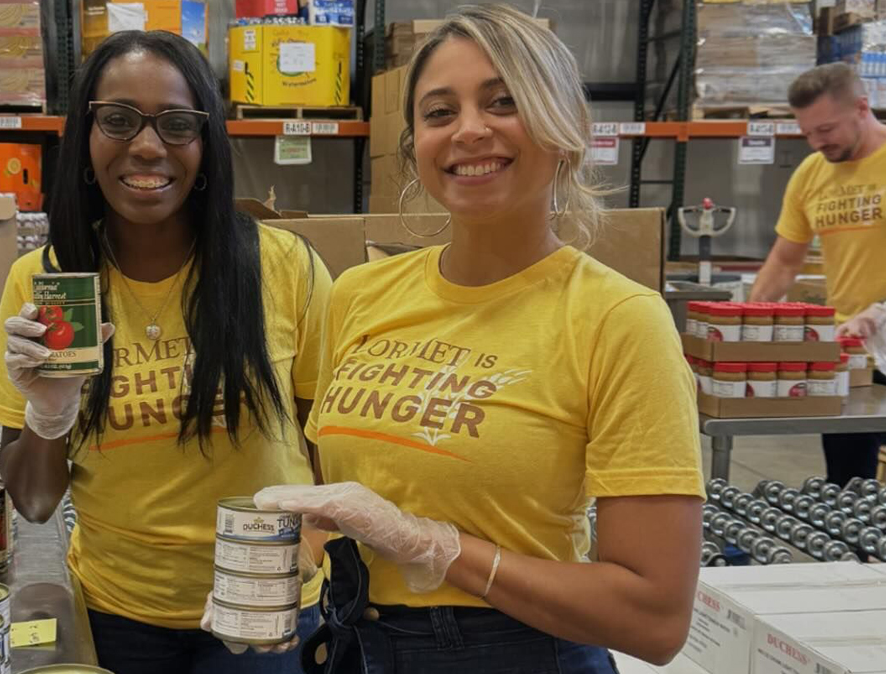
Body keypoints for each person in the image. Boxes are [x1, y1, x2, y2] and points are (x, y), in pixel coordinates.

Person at [231, 5, 706, 671]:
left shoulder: (619, 319)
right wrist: (285, 573)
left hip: (516, 650)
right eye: (440, 112)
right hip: (354, 643)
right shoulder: (361, 294)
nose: (470, 130)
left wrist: (440, 549)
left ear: (565, 129)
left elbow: (654, 620)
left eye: (503, 101)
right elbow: (334, 497)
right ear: (415, 145)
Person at [0, 30, 330, 674]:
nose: (147, 147)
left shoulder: (282, 267)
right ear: (85, 138)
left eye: (177, 124)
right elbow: (34, 504)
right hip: (118, 616)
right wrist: (48, 417)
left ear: (207, 145)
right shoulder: (49, 285)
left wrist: (308, 549)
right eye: (117, 120)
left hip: (262, 608)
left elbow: (334, 446)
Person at [750, 63, 886, 485]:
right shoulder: (812, 173)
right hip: (846, 355)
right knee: (847, 486)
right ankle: (858, 555)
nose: (816, 142)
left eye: (825, 129)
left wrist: (885, 310)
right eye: (807, 132)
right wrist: (745, 320)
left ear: (862, 107)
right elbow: (784, 261)